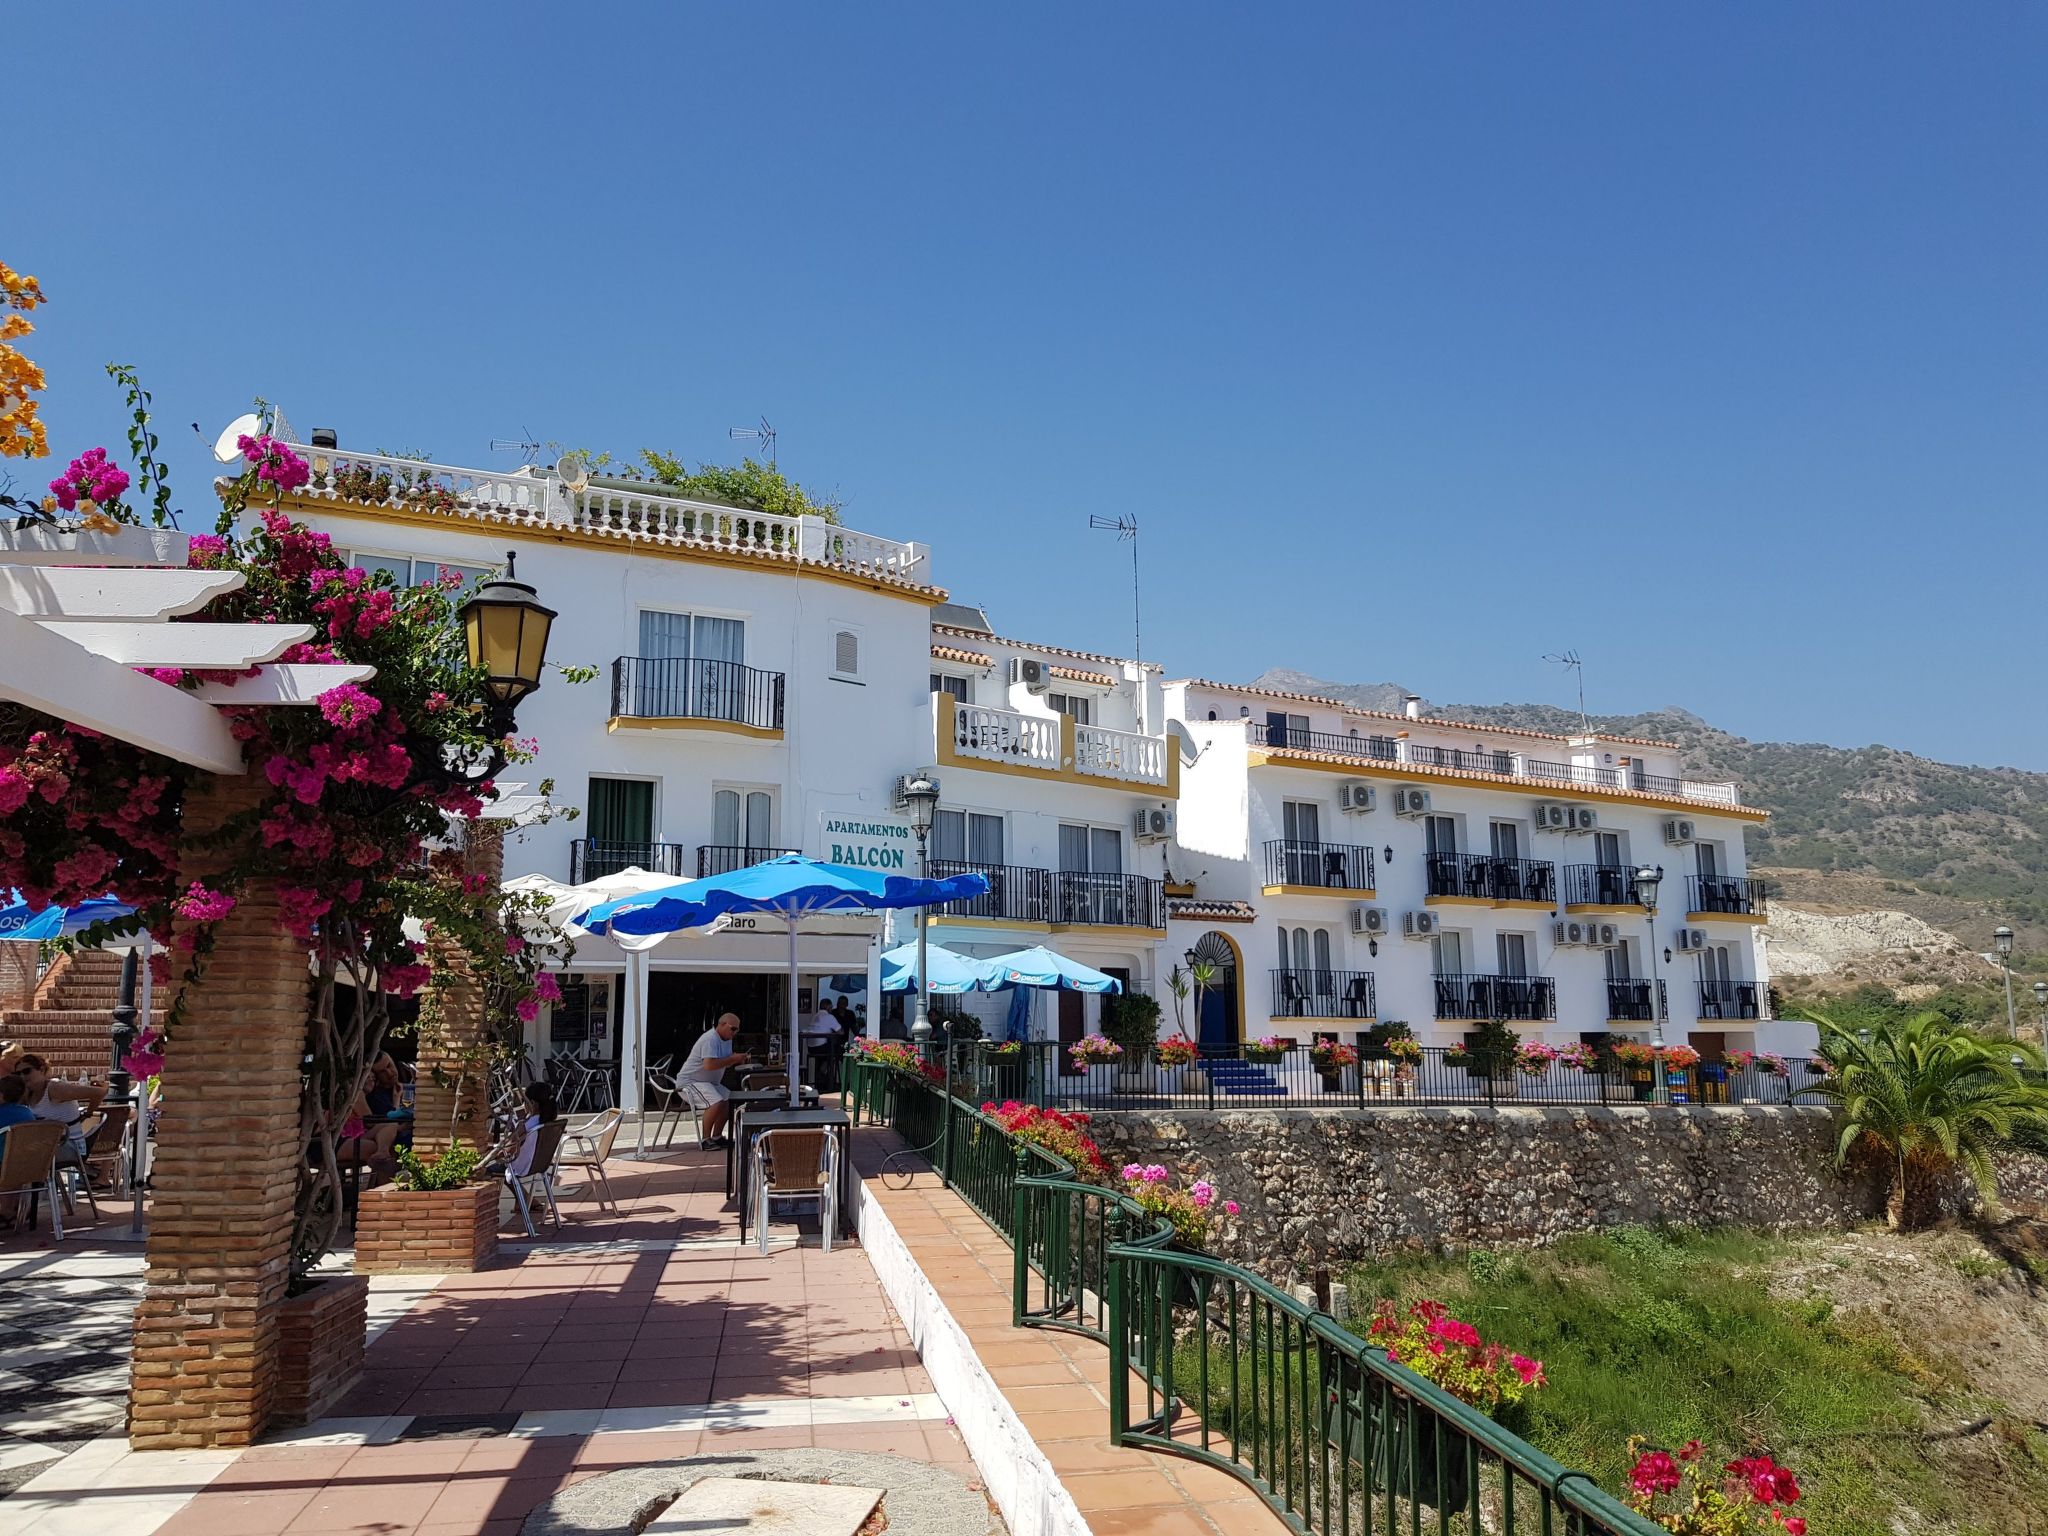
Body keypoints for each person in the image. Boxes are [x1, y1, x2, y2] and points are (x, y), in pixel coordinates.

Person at [16, 1053, 104, 1168]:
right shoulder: (29, 1093)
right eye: (18, 1074)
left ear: (41, 1070)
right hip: (48, 1145)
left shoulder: (55, 1088)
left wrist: (89, 1113)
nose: (22, 1076)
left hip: (69, 1146)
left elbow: (99, 1092)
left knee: (17, 1155)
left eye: (27, 1071)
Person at [679, 1013, 750, 1150]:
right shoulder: (710, 1039)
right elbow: (709, 1065)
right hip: (691, 1082)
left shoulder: (726, 1040)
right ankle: (705, 1139)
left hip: (709, 1083)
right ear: (722, 1025)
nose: (734, 1033)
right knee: (716, 1102)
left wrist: (737, 1059)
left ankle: (717, 1136)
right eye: (733, 1029)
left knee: (729, 1100)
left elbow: (724, 1061)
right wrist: (732, 1059)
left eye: (737, 1030)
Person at [0, 1074, 34, 1228]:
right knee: (13, 1164)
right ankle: (12, 1208)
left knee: (6, 1163)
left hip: (4, 1164)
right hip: (28, 1165)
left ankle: (6, 1211)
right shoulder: (27, 1113)